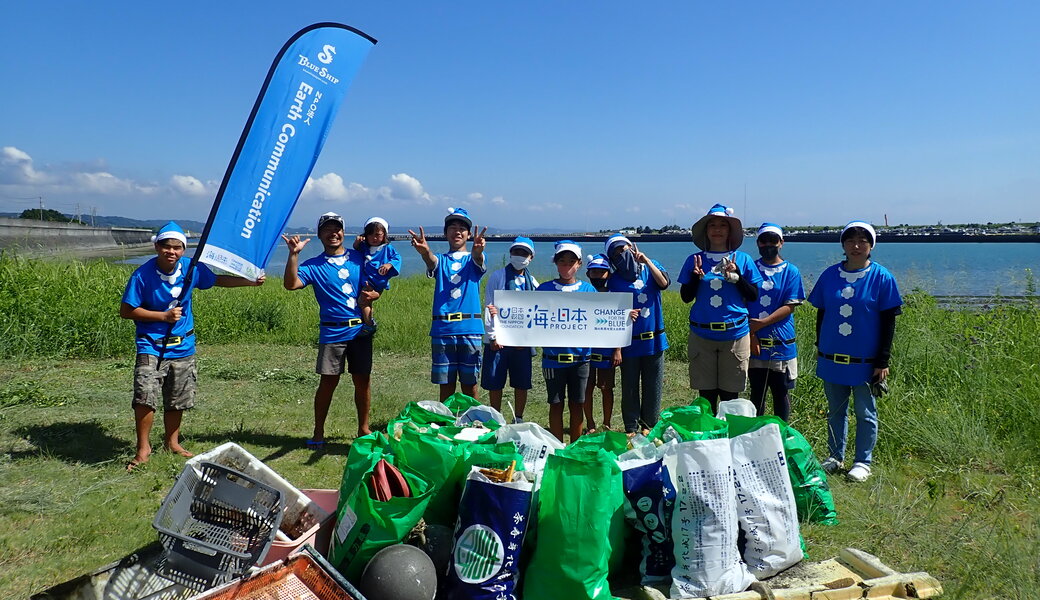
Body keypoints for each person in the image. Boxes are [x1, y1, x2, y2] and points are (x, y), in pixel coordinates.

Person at [120, 221, 264, 470]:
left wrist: (249, 281)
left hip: (183, 344)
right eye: (166, 246)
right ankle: (143, 448)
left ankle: (172, 442)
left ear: (184, 250)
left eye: (177, 247)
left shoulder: (191, 268)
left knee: (177, 397)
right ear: (157, 247)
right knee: (145, 396)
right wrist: (162, 316)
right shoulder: (142, 275)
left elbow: (216, 280)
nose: (171, 252)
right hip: (151, 344)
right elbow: (127, 310)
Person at [808, 221, 902, 483]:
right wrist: (820, 346)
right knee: (835, 410)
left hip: (865, 360)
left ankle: (862, 461)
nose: (856, 246)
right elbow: (822, 312)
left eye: (862, 241)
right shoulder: (830, 275)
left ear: (871, 246)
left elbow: (888, 321)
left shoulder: (881, 277)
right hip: (832, 356)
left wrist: (883, 360)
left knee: (865, 412)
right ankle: (835, 456)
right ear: (843, 245)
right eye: (850, 240)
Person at [282, 212, 380, 447]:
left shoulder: (360, 258)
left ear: (343, 233)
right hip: (332, 332)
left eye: (337, 229)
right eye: (327, 229)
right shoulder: (313, 265)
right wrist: (293, 255)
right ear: (319, 235)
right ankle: (318, 432)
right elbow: (291, 284)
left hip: (359, 330)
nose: (333, 233)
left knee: (362, 381)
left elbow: (378, 281)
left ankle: (363, 428)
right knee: (328, 382)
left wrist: (375, 294)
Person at [678, 204, 762, 413]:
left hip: (734, 334)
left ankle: (726, 432)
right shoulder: (694, 260)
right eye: (712, 225)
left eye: (723, 225)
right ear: (706, 230)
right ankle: (709, 432)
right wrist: (695, 278)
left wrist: (738, 277)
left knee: (730, 397)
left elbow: (753, 295)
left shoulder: (742, 259)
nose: (717, 229)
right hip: (702, 334)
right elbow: (686, 297)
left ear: (730, 231)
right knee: (706, 396)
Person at [409, 207, 488, 401]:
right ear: (445, 233)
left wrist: (478, 251)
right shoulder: (441, 260)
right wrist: (424, 252)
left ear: (469, 235)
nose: (457, 232)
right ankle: (446, 418)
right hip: (443, 329)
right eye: (452, 227)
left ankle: (471, 418)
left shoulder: (473, 259)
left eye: (462, 228)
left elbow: (479, 259)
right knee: (445, 386)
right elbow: (431, 261)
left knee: (470, 385)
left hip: (470, 328)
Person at [605, 234, 670, 435]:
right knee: (630, 386)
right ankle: (631, 426)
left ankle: (649, 425)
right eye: (616, 253)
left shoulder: (651, 267)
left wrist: (647, 261)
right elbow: (613, 312)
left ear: (632, 247)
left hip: (654, 339)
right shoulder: (614, 280)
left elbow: (664, 283)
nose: (622, 254)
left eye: (624, 249)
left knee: (653, 385)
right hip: (630, 342)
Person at [536, 241, 598, 442]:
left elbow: (601, 317)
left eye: (572, 261)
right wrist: (500, 313)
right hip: (553, 360)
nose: (567, 266)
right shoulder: (544, 289)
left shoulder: (588, 290)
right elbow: (528, 316)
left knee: (577, 404)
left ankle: (574, 446)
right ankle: (556, 445)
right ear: (555, 263)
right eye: (562, 261)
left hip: (581, 359)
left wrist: (625, 316)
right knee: (555, 404)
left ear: (579, 264)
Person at [747, 223, 805, 422]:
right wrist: (752, 332)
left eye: (773, 240)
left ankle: (781, 432)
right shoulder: (750, 268)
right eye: (764, 241)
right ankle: (756, 433)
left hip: (781, 342)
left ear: (781, 243)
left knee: (781, 392)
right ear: (758, 243)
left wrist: (762, 323)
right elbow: (742, 300)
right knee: (757, 392)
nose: (768, 245)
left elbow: (790, 306)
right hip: (755, 343)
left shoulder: (791, 271)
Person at [482, 237, 539, 422]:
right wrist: (492, 337)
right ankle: (496, 417)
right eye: (516, 252)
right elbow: (489, 305)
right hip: (498, 340)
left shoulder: (533, 282)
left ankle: (518, 417)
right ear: (510, 253)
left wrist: (529, 339)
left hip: (521, 342)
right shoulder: (498, 276)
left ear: (531, 257)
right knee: (495, 381)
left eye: (524, 253)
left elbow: (538, 310)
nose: (519, 256)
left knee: (522, 382)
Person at [583, 253, 619, 433]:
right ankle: (590, 423)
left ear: (608, 274)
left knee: (606, 388)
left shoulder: (615, 295)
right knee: (586, 387)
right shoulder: (582, 294)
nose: (598, 276)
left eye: (601, 272)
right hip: (585, 349)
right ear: (588, 274)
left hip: (607, 349)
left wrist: (617, 349)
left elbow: (619, 325)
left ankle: (606, 423)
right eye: (594, 272)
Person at [352, 216, 401, 335]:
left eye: (378, 235)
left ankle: (369, 324)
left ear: (384, 235)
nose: (374, 238)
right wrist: (357, 242)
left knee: (362, 302)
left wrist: (389, 264)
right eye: (370, 234)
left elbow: (397, 258)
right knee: (366, 302)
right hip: (366, 279)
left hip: (377, 280)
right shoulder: (365, 247)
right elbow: (356, 249)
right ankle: (367, 321)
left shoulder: (387, 248)